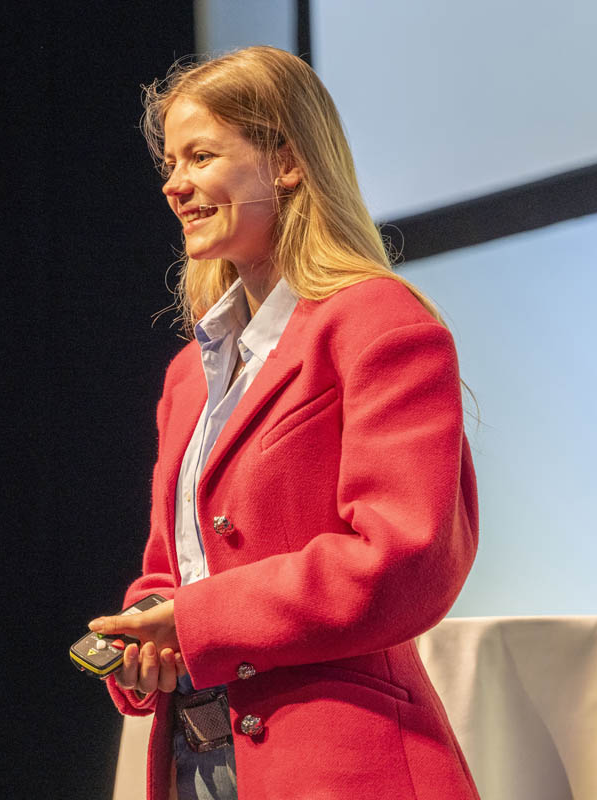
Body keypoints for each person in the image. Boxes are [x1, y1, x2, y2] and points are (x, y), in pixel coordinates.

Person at [87, 46, 480, 800]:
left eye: (201, 156)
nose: (174, 184)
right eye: (170, 162)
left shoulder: (378, 323)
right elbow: (174, 570)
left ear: (289, 163)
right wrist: (142, 637)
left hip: (337, 764)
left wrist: (197, 622)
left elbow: (404, 559)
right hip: (193, 765)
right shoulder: (187, 375)